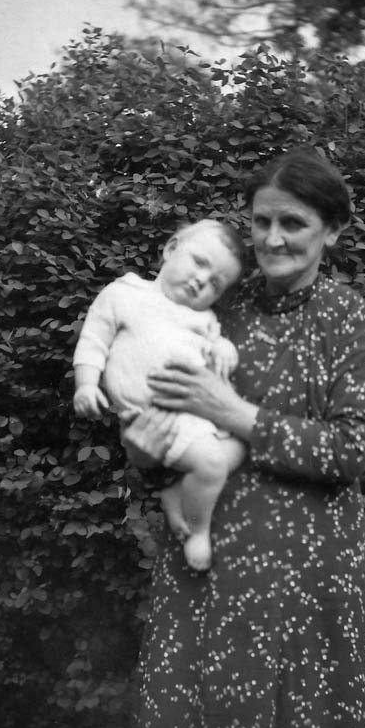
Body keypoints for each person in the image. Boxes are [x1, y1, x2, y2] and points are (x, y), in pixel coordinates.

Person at [126, 149, 365, 728]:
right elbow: (155, 424)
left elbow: (349, 452)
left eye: (293, 223)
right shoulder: (217, 308)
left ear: (333, 230)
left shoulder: (351, 321)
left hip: (312, 572)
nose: (272, 239)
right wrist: (143, 451)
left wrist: (234, 411)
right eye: (261, 221)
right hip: (212, 567)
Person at [73, 219, 247, 571]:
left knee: (239, 448)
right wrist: (86, 384)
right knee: (212, 465)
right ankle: (198, 530)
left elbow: (216, 344)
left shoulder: (203, 318)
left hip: (198, 415)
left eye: (216, 283)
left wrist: (225, 347)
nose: (202, 280)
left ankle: (178, 489)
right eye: (200, 262)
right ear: (170, 249)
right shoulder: (127, 294)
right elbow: (94, 339)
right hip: (153, 414)